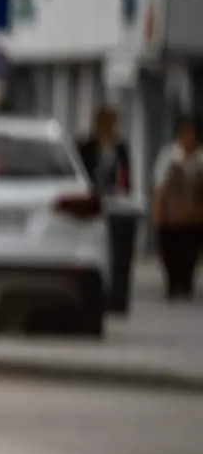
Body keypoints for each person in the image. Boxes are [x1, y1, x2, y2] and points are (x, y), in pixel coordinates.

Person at [77, 106, 138, 312]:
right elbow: (82, 173)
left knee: (117, 253)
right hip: (93, 204)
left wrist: (125, 193)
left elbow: (127, 176)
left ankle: (116, 297)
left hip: (116, 204)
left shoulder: (120, 147)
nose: (109, 128)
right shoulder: (86, 146)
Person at [152, 115, 203, 299]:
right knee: (171, 253)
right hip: (171, 217)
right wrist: (157, 213)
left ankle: (185, 283)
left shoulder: (200, 159)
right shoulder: (169, 156)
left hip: (194, 218)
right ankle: (173, 284)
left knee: (190, 254)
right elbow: (159, 187)